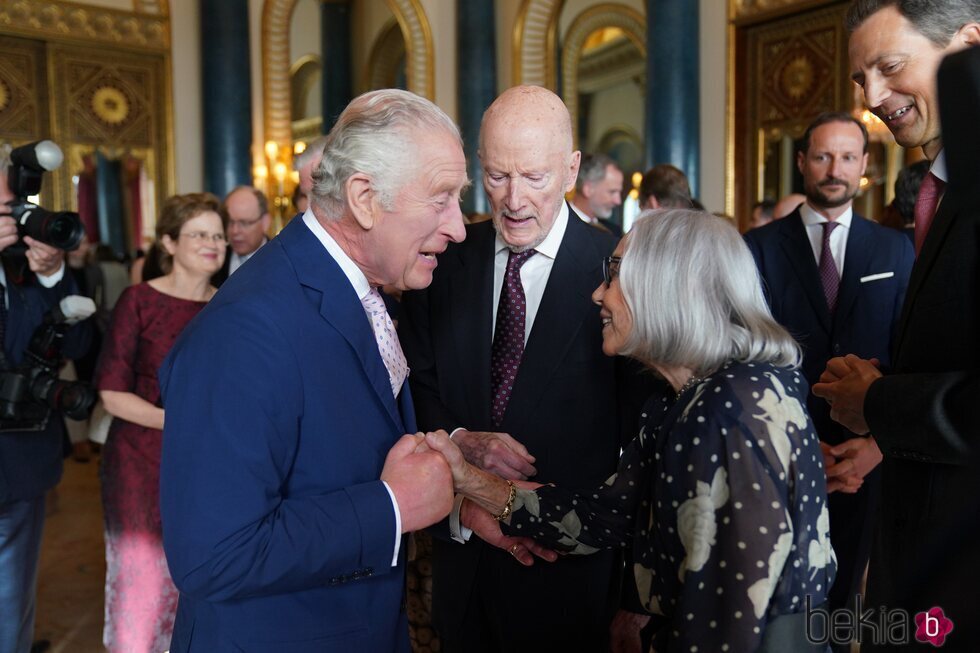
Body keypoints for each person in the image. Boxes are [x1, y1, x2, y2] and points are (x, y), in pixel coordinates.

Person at [424, 209, 836, 653]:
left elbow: (730, 616)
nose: (598, 293)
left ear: (667, 285)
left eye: (615, 274)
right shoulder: (680, 399)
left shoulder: (728, 407)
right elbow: (603, 519)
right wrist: (470, 482)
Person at [158, 90, 479, 652]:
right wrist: (392, 507)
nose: (459, 227)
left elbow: (350, 439)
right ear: (363, 198)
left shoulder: (361, 291)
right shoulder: (245, 331)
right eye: (441, 199)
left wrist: (457, 453)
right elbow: (213, 555)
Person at [399, 85, 651, 653]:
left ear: (571, 169)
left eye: (534, 178)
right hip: (463, 569)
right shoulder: (440, 261)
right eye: (496, 176)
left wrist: (635, 600)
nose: (512, 200)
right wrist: (461, 440)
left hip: (572, 580)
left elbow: (643, 445)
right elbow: (414, 386)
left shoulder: (619, 271)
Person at [812, 2, 980, 649]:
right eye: (861, 80)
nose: (873, 97)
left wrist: (877, 402)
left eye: (889, 67)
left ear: (969, 45)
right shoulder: (940, 188)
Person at [744, 112, 913, 645]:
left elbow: (909, 354)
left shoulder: (894, 249)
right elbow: (746, 354)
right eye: (822, 156)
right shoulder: (759, 246)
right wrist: (792, 442)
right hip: (783, 452)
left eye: (846, 157)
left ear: (865, 165)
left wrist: (877, 442)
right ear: (802, 162)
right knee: (778, 598)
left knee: (847, 602)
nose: (834, 168)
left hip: (866, 456)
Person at [95, 193, 226, 652]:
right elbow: (111, 394)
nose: (212, 244)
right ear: (169, 243)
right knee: (143, 579)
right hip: (139, 463)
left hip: (209, 467)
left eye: (218, 235)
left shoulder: (229, 308)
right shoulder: (139, 300)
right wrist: (184, 422)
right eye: (199, 234)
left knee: (199, 579)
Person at [0, 143, 91, 653]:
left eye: (19, 209)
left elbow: (76, 346)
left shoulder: (35, 272)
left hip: (19, 462)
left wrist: (54, 275)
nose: (15, 222)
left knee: (12, 602)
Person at [211, 185, 271, 287]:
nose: (235, 231)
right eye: (230, 222)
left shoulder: (282, 261)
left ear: (265, 222)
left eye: (244, 223)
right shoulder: (215, 259)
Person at [570, 153, 625, 235]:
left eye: (619, 192)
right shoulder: (557, 225)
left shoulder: (614, 232)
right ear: (588, 189)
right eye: (612, 192)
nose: (618, 201)